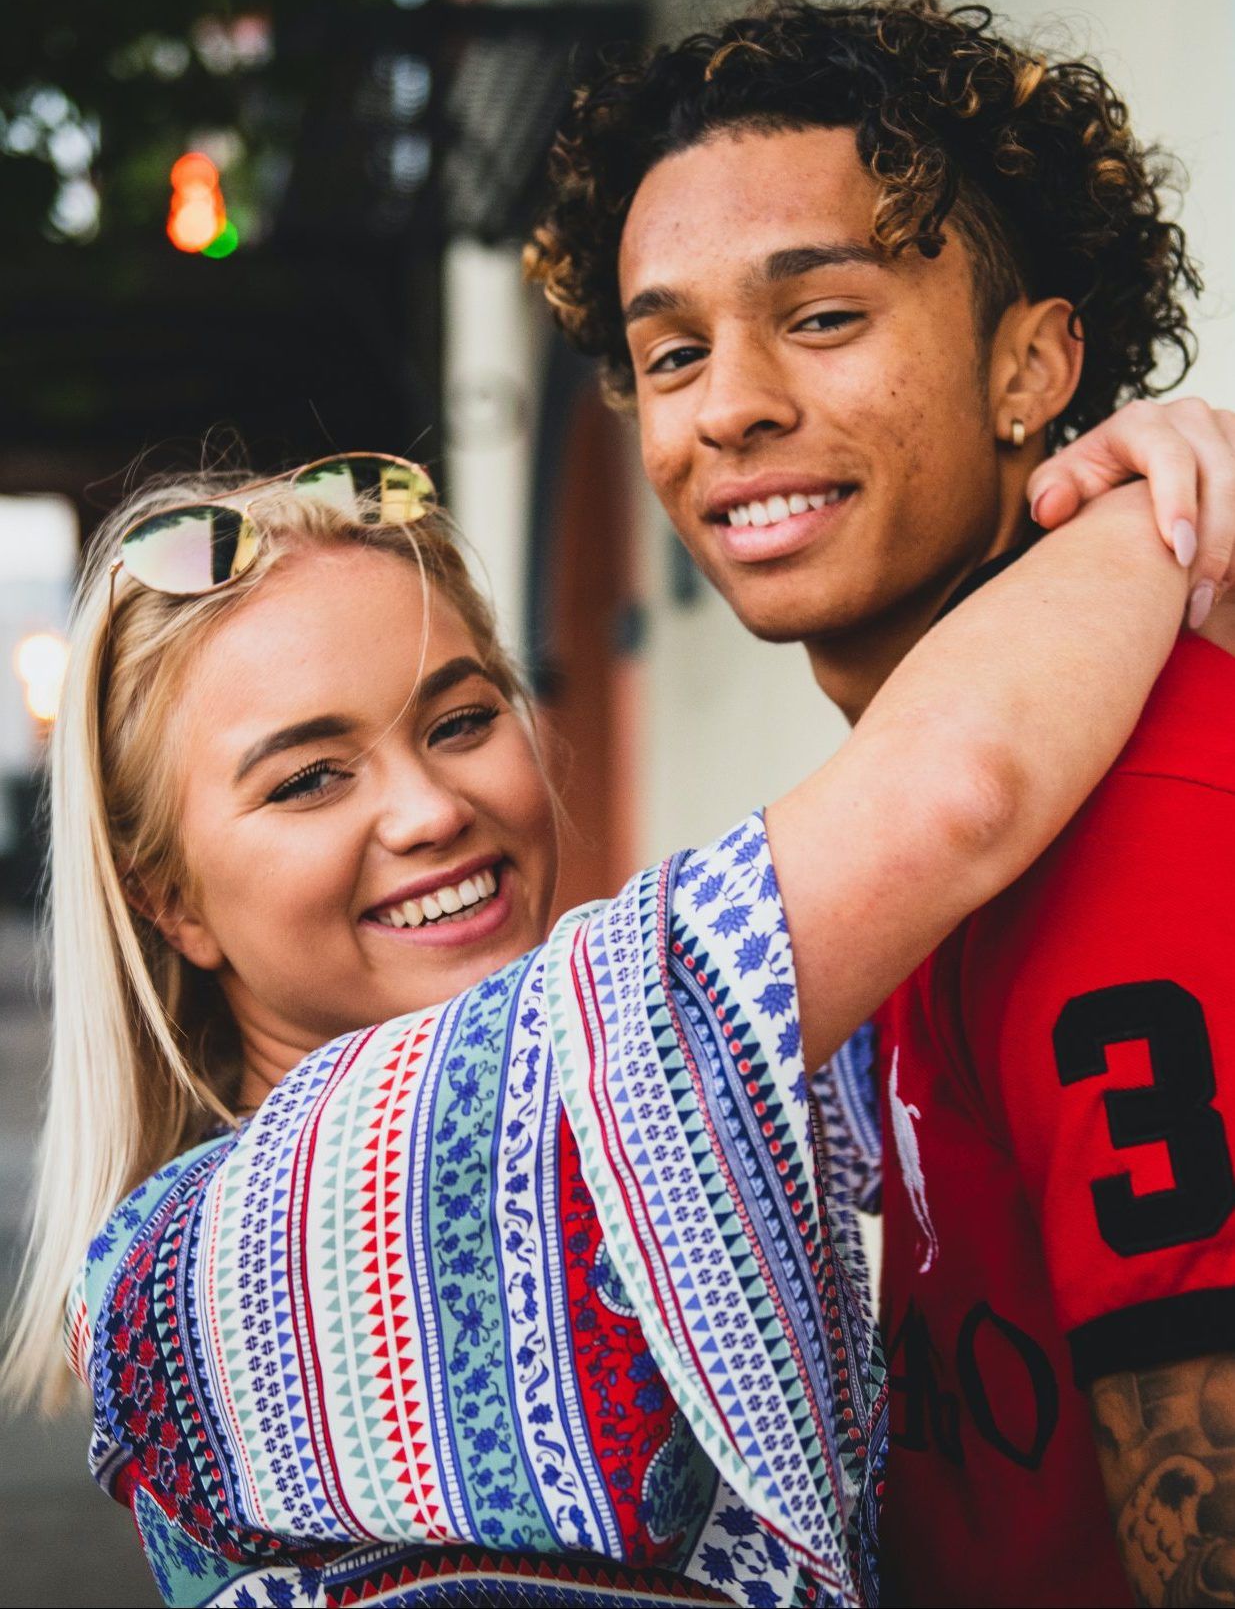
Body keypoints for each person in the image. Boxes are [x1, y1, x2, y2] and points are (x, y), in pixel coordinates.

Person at [0, 441, 1198, 1607]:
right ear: (166, 897)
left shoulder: (605, 1091)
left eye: (460, 720)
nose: (429, 809)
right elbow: (957, 790)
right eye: (309, 778)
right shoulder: (244, 1231)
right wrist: (1155, 502)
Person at [525, 0, 1235, 1604]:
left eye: (823, 316)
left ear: (1033, 363)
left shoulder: (1147, 811)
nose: (730, 405)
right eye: (672, 351)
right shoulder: (891, 835)